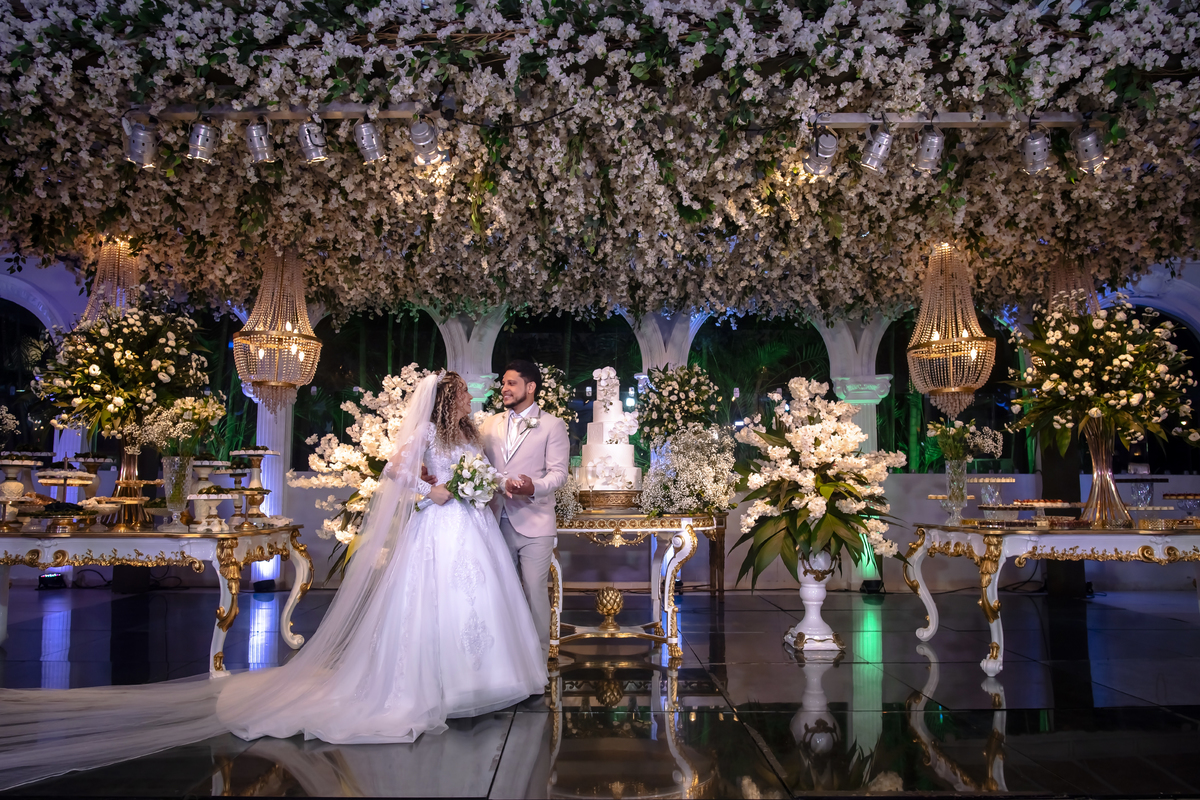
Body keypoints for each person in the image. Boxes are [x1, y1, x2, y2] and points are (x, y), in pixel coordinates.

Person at [0, 371, 547, 788]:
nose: (472, 400)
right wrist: (433, 491)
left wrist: (478, 485)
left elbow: (481, 474)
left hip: (471, 526)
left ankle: (487, 681)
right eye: (465, 395)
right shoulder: (427, 431)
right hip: (438, 526)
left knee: (478, 603)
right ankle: (442, 685)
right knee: (435, 603)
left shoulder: (471, 433)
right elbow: (396, 471)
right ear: (448, 399)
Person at [479, 360, 570, 657]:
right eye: (503, 383)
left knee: (533, 590)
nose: (504, 389)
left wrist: (534, 487)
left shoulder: (552, 425)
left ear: (530, 387)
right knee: (499, 591)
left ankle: (539, 658)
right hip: (495, 519)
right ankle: (504, 658)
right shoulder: (490, 424)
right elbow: (480, 466)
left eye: (511, 383)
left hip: (536, 521)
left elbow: (559, 474)